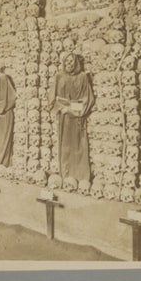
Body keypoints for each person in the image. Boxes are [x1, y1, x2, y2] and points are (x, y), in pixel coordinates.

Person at [50, 53, 93, 184]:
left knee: (79, 147)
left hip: (77, 119)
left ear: (76, 63)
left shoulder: (83, 77)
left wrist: (70, 108)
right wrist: (61, 107)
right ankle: (66, 175)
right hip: (64, 120)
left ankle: (79, 177)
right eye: (66, 61)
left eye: (71, 61)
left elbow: (87, 100)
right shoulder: (59, 76)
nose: (68, 64)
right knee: (65, 148)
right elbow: (52, 99)